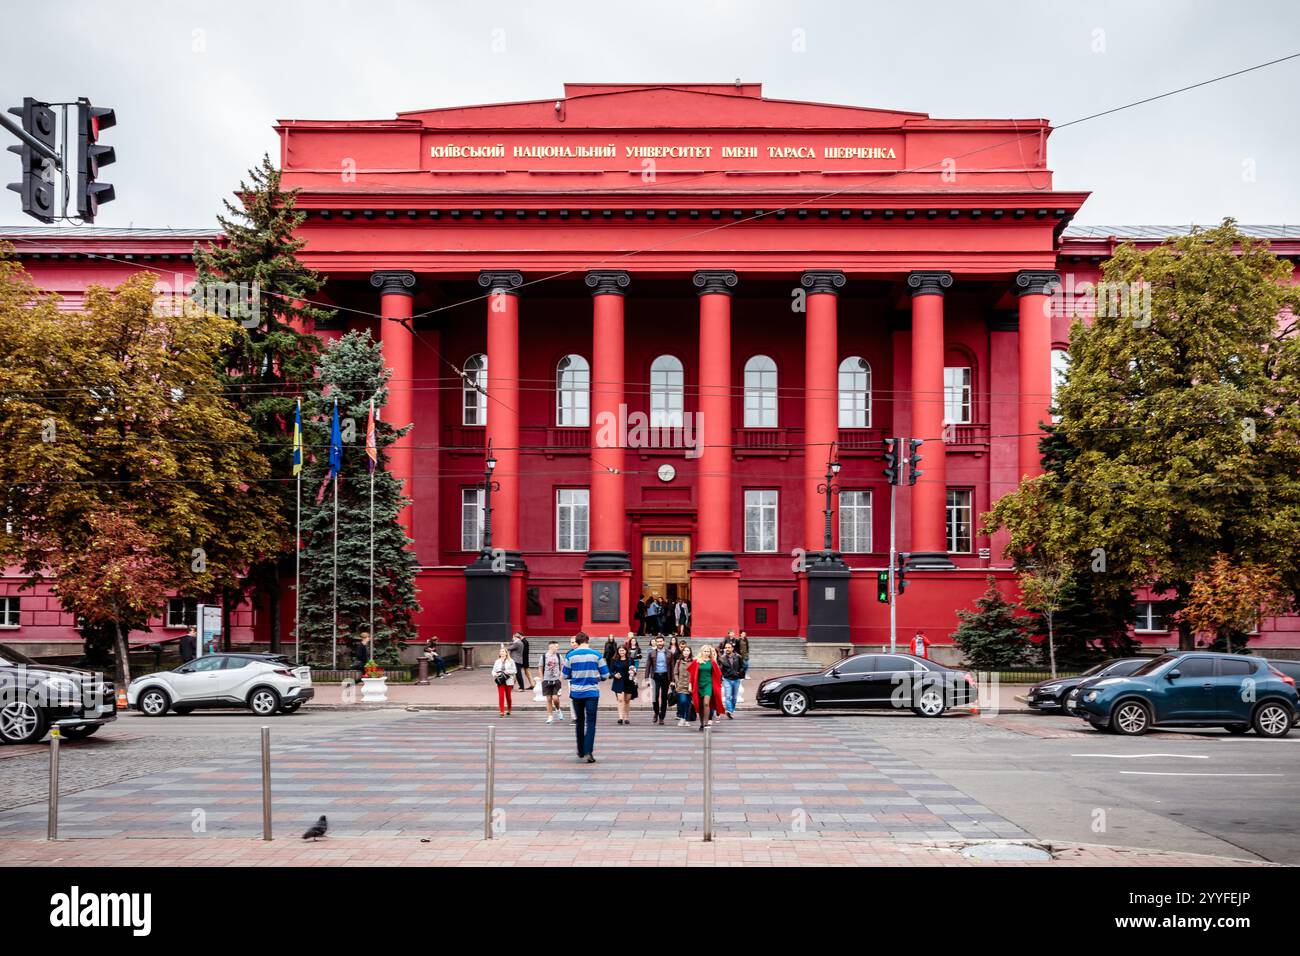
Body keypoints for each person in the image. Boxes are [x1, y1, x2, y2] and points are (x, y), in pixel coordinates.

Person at [563, 632, 610, 763]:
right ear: (588, 641)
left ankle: (580, 749)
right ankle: (589, 751)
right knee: (591, 722)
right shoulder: (597, 655)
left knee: (579, 721)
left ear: (577, 642)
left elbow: (565, 675)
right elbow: (606, 674)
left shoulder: (570, 655)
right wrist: (597, 678)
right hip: (591, 692)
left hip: (576, 692)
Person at [689, 644, 725, 731]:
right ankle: (701, 724)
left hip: (708, 685)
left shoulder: (712, 662)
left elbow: (718, 674)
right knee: (700, 705)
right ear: (701, 652)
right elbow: (692, 675)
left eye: (708, 651)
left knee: (706, 703)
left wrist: (718, 685)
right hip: (698, 685)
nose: (706, 653)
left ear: (710, 653)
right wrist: (690, 685)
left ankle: (706, 724)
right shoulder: (696, 661)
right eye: (705, 651)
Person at [643, 636, 673, 725]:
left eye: (661, 641)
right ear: (656, 643)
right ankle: (656, 712)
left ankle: (662, 717)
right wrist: (646, 679)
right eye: (658, 641)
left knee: (664, 698)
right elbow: (648, 666)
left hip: (665, 677)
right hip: (655, 677)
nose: (660, 643)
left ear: (664, 642)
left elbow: (672, 666)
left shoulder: (669, 653)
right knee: (654, 697)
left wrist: (672, 680)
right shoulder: (651, 653)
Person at [538, 640, 566, 723]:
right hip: (546, 680)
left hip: (556, 680)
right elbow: (540, 668)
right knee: (549, 699)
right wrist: (542, 680)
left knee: (555, 698)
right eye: (556, 646)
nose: (557, 648)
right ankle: (550, 716)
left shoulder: (558, 656)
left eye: (557, 646)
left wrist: (560, 678)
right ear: (550, 646)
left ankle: (558, 709)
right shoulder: (543, 656)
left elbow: (562, 667)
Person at [610, 645, 635, 724]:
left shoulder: (630, 660)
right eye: (620, 651)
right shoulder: (614, 660)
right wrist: (615, 675)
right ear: (618, 651)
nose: (622, 652)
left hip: (629, 681)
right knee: (620, 700)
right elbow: (610, 671)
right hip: (619, 681)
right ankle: (620, 717)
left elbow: (634, 669)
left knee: (627, 700)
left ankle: (626, 718)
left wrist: (633, 672)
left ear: (626, 651)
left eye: (623, 650)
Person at [718, 641, 744, 719]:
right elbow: (720, 669)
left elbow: (742, 666)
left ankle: (731, 711)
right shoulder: (722, 658)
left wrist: (740, 674)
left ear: (732, 648)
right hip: (727, 679)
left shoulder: (738, 657)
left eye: (729, 647)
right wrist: (720, 679)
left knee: (734, 697)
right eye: (726, 648)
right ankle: (729, 710)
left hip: (736, 679)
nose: (727, 649)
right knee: (728, 696)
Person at [671, 644, 695, 726]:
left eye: (688, 650)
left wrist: (692, 683)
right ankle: (682, 717)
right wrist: (677, 682)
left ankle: (686, 719)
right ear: (682, 652)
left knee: (688, 703)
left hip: (690, 686)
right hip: (681, 685)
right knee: (682, 701)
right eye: (684, 650)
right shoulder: (678, 662)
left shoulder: (693, 662)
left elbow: (695, 674)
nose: (686, 652)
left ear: (690, 652)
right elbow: (675, 673)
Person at [491, 646, 517, 717]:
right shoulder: (497, 661)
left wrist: (507, 672)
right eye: (500, 651)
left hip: (509, 680)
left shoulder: (511, 661)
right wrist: (495, 674)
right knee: (501, 696)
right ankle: (501, 711)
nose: (501, 653)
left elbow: (515, 670)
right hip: (500, 680)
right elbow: (493, 670)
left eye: (503, 651)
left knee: (508, 696)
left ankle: (509, 709)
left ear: (506, 653)